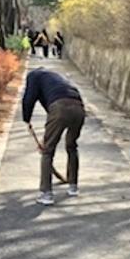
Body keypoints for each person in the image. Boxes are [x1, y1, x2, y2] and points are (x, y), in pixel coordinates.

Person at [22, 67, 86, 205]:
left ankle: (46, 194)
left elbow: (29, 97)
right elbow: (50, 103)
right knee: (72, 146)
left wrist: (26, 118)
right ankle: (73, 186)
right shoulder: (56, 78)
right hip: (79, 108)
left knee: (48, 151)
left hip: (59, 108)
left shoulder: (33, 76)